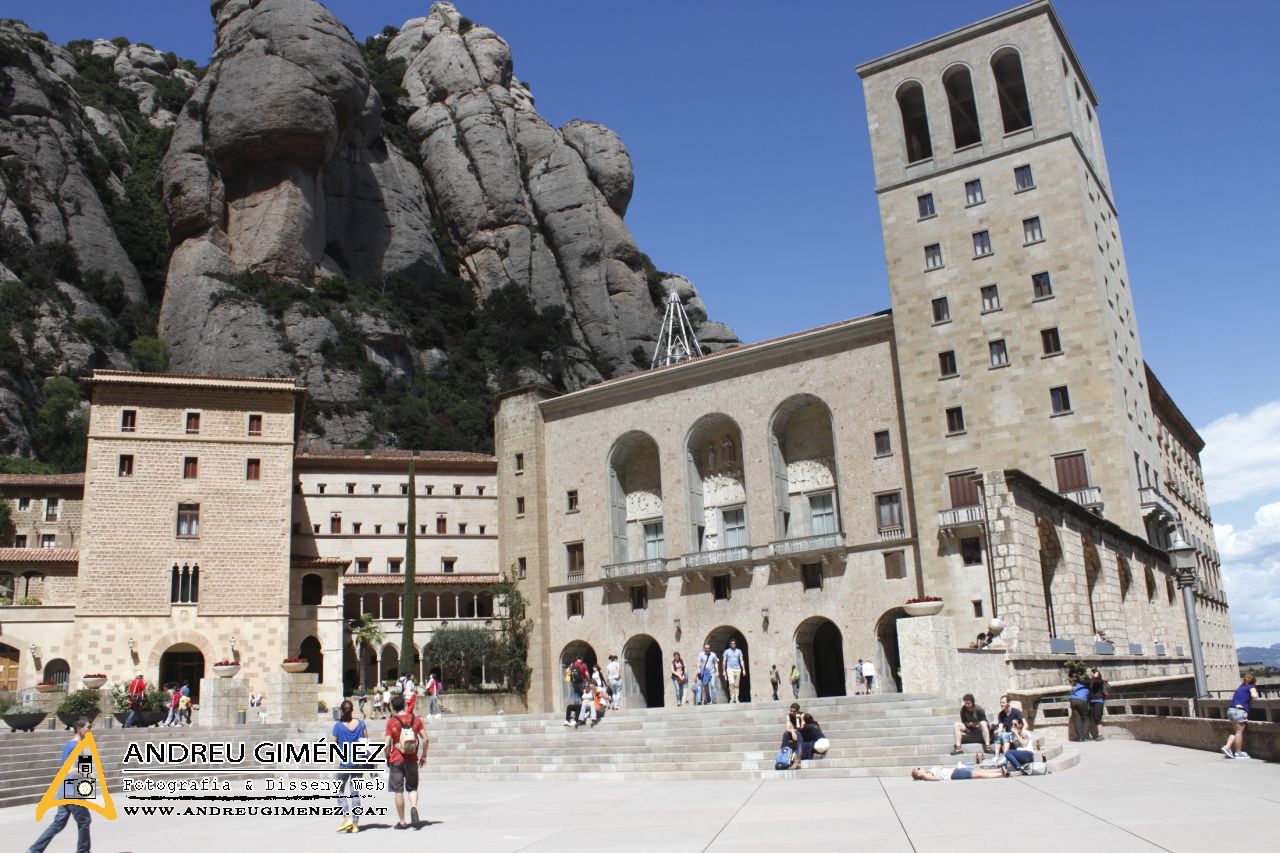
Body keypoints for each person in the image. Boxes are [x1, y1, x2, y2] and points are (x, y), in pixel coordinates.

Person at [26, 717, 93, 853]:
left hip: (64, 790)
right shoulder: (75, 746)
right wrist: (85, 772)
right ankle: (83, 851)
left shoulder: (71, 745)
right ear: (80, 729)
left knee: (58, 823)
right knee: (84, 821)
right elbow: (69, 769)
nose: (90, 731)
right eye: (88, 727)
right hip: (72, 790)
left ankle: (34, 850)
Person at [384, 692, 427, 829]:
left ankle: (402, 821)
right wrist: (424, 755)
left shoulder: (391, 722)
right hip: (412, 758)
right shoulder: (416, 719)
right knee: (412, 787)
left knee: (398, 791)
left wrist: (387, 757)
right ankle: (413, 806)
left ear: (393, 707)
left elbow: (386, 744)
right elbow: (425, 739)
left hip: (396, 759)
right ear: (404, 704)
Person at [332, 699, 366, 834]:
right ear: (352, 710)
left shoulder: (338, 726)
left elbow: (332, 743)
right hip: (359, 762)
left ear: (342, 710)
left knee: (338, 789)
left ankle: (346, 817)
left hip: (345, 762)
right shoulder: (362, 724)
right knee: (355, 793)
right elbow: (365, 742)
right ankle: (355, 824)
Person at [1222, 673, 1260, 759]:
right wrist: (1256, 693)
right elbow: (1254, 696)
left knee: (1236, 731)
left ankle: (1227, 747)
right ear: (1253, 681)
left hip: (1231, 710)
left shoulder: (1240, 688)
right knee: (1239, 732)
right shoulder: (1251, 686)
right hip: (1239, 711)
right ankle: (1238, 753)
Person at [1068, 672, 1091, 742]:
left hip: (1072, 700)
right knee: (1086, 717)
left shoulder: (1079, 684)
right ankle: (1086, 735)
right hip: (1081, 700)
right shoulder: (1088, 684)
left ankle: (1081, 737)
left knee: (1077, 718)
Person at [722, 639, 747, 703]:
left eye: (734, 643)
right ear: (730, 644)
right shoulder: (726, 651)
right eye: (732, 643)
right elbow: (724, 661)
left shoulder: (739, 651)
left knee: (736, 684)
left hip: (737, 669)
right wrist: (724, 671)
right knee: (731, 682)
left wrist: (743, 669)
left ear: (736, 644)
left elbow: (741, 660)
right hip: (730, 668)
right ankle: (732, 697)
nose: (733, 644)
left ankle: (736, 698)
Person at [1087, 668, 1108, 741]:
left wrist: (1096, 676)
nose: (1091, 674)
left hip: (1099, 701)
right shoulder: (1091, 681)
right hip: (1092, 701)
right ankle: (1091, 735)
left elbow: (1098, 682)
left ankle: (1100, 735)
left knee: (1098, 718)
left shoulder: (1100, 681)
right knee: (1091, 717)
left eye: (1091, 673)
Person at [911, 765, 1005, 781]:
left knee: (979, 771)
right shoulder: (927, 776)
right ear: (918, 774)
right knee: (980, 774)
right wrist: (939, 769)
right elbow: (937, 778)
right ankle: (1001, 774)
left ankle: (1000, 771)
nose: (921, 768)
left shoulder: (928, 773)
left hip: (955, 771)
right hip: (954, 774)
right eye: (918, 769)